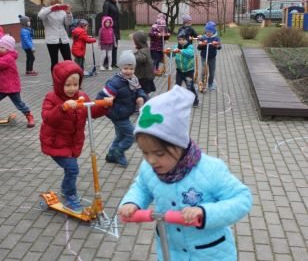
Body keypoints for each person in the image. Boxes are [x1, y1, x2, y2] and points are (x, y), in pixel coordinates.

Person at [118, 86, 252, 261]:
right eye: (145, 152)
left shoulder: (210, 170)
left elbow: (242, 199)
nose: (151, 160)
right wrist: (132, 202)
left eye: (159, 154)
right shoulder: (148, 169)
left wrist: (204, 213)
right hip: (170, 251)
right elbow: (142, 187)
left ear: (179, 144)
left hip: (210, 254)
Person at [39, 61, 112, 212]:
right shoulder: (51, 98)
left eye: (75, 84)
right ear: (59, 84)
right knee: (72, 169)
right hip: (55, 143)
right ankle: (69, 193)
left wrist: (103, 105)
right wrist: (63, 108)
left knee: (70, 169)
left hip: (73, 143)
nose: (72, 89)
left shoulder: (82, 97)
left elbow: (91, 111)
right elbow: (48, 118)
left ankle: (66, 189)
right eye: (68, 85)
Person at [96, 50, 147, 167]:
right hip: (117, 114)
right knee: (132, 135)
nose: (128, 71)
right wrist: (106, 100)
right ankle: (118, 152)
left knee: (120, 136)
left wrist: (141, 97)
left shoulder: (133, 79)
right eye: (125, 68)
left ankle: (111, 155)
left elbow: (139, 89)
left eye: (131, 68)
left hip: (124, 113)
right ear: (120, 68)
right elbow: (102, 96)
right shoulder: (115, 82)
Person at [38, 0, 73, 72]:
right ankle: (55, 81)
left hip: (63, 39)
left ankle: (69, 78)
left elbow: (68, 23)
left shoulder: (62, 11)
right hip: (52, 40)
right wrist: (52, 8)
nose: (58, 1)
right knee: (54, 62)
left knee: (68, 60)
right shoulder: (45, 10)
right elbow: (40, 16)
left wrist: (68, 13)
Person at [173, 34, 199, 107]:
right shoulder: (176, 47)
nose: (181, 41)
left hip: (188, 71)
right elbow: (172, 55)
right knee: (177, 86)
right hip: (179, 70)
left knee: (190, 86)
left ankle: (195, 100)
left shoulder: (190, 47)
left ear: (187, 40)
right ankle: (177, 101)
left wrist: (180, 51)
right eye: (179, 40)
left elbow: (189, 54)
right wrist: (169, 52)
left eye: (183, 40)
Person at [197, 21, 221, 91]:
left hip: (212, 58)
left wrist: (216, 45)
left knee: (212, 72)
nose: (208, 33)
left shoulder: (216, 38)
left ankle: (210, 83)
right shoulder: (203, 38)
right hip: (204, 57)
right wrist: (201, 45)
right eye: (207, 32)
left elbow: (219, 47)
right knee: (203, 71)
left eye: (210, 32)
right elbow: (198, 48)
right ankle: (201, 83)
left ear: (213, 32)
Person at [131, 31, 155, 96]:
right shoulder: (144, 49)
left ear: (138, 42)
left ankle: (146, 104)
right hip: (144, 76)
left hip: (144, 78)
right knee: (143, 94)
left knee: (143, 94)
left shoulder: (143, 50)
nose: (133, 42)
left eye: (134, 41)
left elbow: (141, 58)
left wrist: (131, 56)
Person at [102, 0, 120, 68]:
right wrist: (106, 28)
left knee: (115, 45)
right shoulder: (107, 4)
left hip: (115, 28)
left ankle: (113, 62)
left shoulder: (114, 3)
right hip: (109, 28)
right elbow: (105, 17)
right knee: (108, 45)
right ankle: (106, 63)